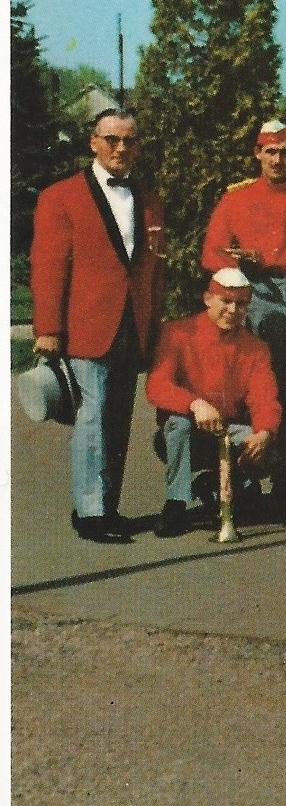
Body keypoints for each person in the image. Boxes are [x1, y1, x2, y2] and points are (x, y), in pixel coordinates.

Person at [31, 108, 166, 542]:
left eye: (129, 141)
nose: (120, 148)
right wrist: (48, 327)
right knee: (92, 417)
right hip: (86, 324)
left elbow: (153, 269)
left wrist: (154, 326)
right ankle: (89, 512)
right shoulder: (61, 196)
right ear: (93, 142)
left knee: (119, 419)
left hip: (133, 325)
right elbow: (49, 266)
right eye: (111, 139)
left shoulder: (148, 197)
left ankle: (107, 507)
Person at [201, 118, 286, 511]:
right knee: (238, 375)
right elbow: (211, 253)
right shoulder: (235, 198)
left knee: (281, 377)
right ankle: (241, 471)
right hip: (242, 290)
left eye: (284, 152)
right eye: (270, 151)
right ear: (257, 154)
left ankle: (284, 468)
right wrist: (242, 259)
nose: (277, 159)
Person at [145, 268, 280, 538]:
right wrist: (194, 404)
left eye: (241, 304)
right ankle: (176, 503)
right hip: (189, 432)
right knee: (178, 423)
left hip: (228, 430)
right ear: (208, 298)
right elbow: (156, 386)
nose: (233, 309)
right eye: (226, 301)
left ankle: (225, 485)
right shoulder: (177, 333)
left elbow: (265, 398)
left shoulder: (255, 347)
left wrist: (265, 432)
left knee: (271, 446)